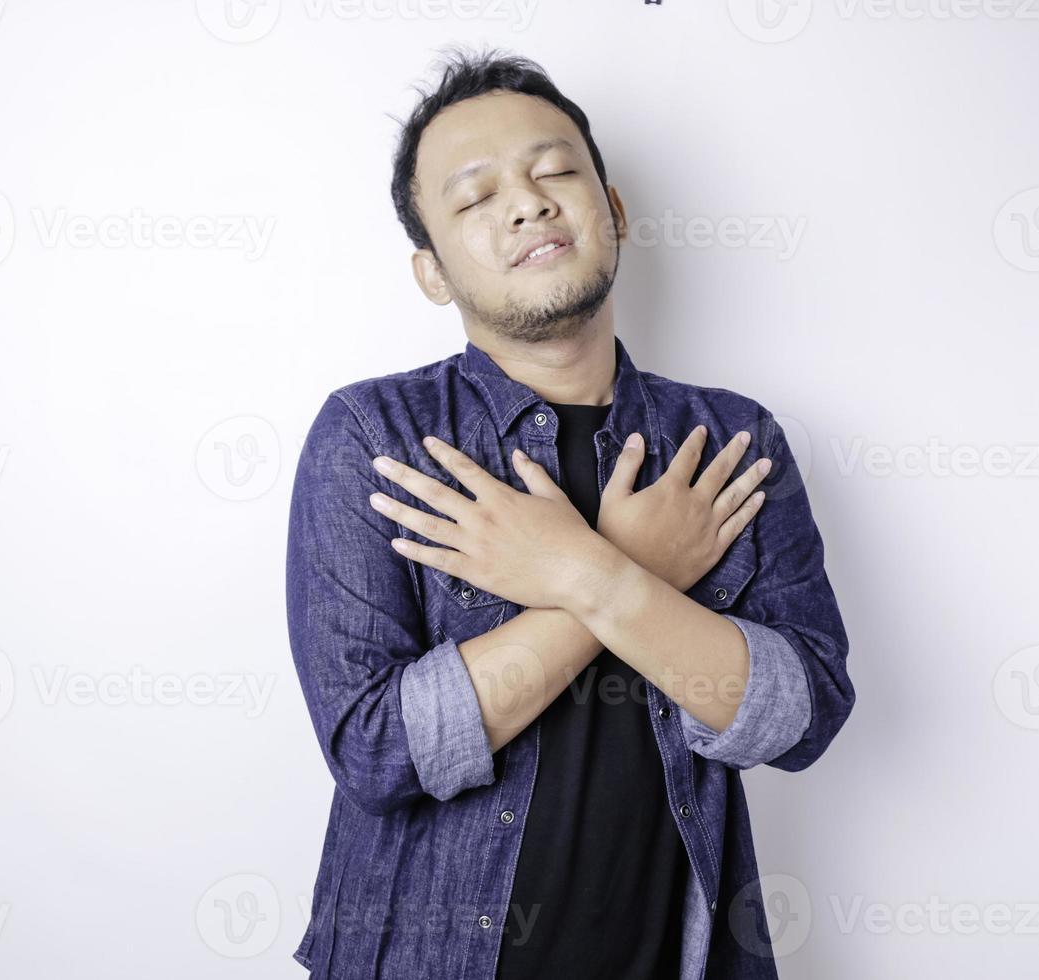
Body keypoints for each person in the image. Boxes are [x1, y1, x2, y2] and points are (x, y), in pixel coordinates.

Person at [286, 46, 854, 980]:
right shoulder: (374, 438)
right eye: (475, 198)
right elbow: (377, 751)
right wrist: (627, 570)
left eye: (555, 172)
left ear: (613, 211)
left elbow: (802, 717)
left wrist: (588, 575)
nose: (528, 203)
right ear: (430, 272)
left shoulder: (729, 440)